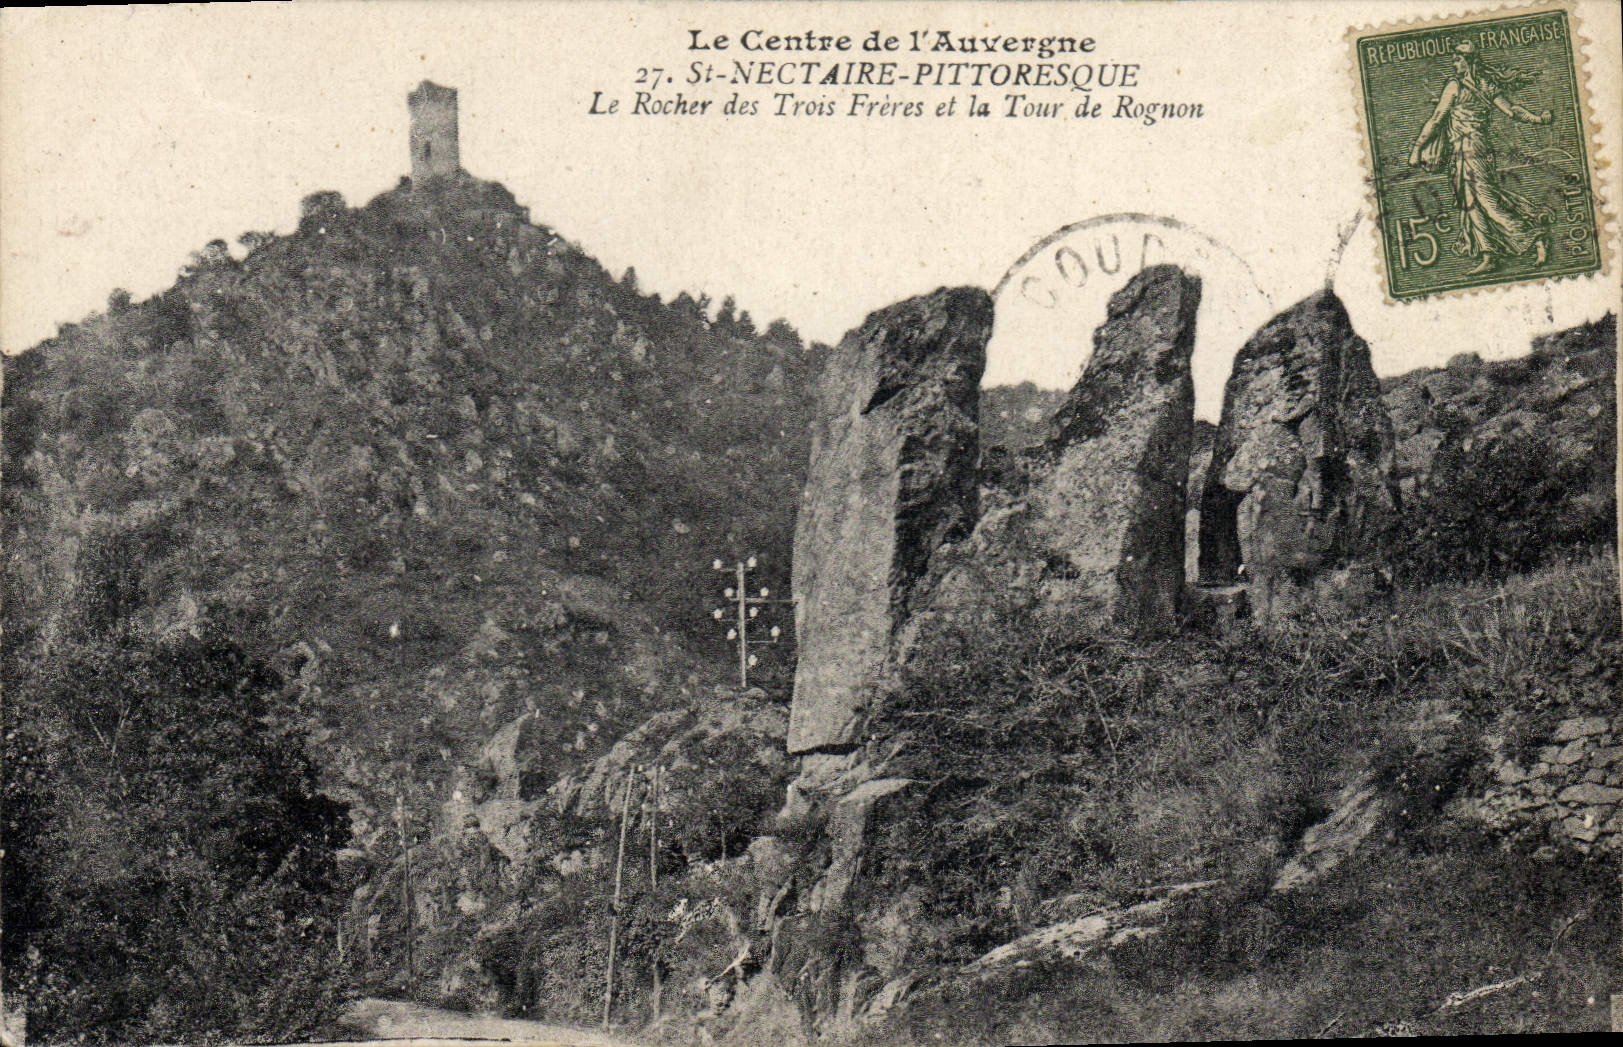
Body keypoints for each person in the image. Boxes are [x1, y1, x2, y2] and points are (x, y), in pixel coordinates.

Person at [1408, 41, 1553, 274]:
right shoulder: (1485, 85)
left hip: (1473, 149)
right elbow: (1512, 111)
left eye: (1457, 60)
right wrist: (1537, 119)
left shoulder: (1456, 86)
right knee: (1470, 203)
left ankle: (1534, 237)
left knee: (1487, 201)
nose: (1454, 64)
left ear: (1468, 61)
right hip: (1465, 150)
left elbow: (1436, 119)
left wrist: (1417, 149)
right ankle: (1489, 254)